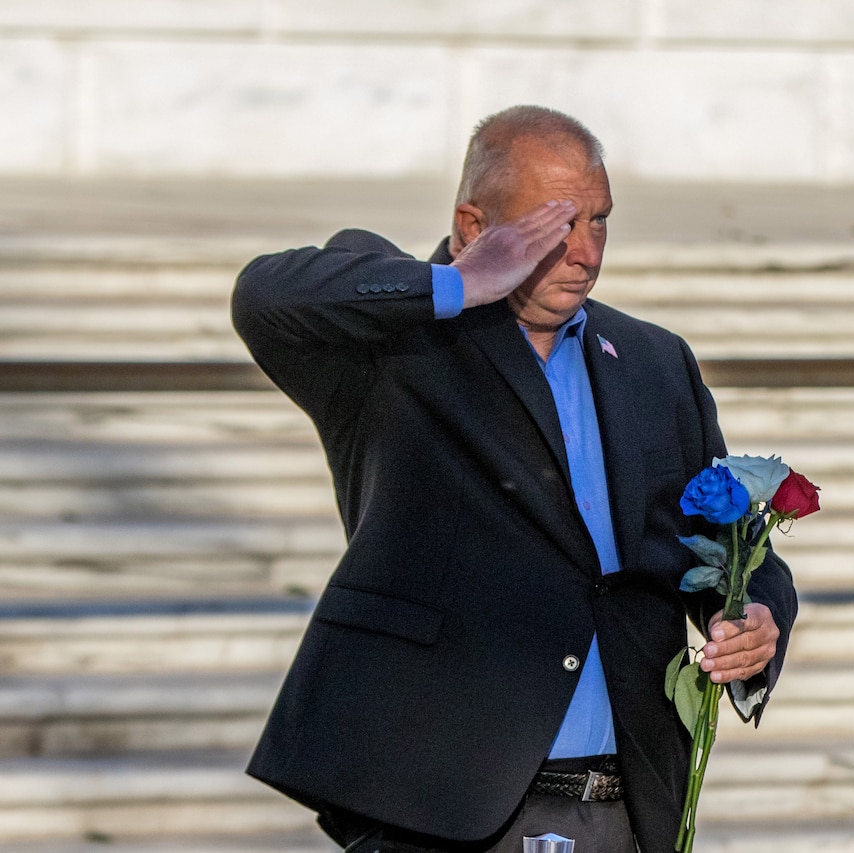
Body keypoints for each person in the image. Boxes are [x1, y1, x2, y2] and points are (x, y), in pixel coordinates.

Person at [231, 105, 798, 853]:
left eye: (599, 220)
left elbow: (731, 552)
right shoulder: (398, 344)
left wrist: (757, 619)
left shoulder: (657, 363)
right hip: (440, 809)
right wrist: (452, 287)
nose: (584, 252)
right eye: (555, 226)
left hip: (627, 809)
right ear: (473, 225)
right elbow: (266, 297)